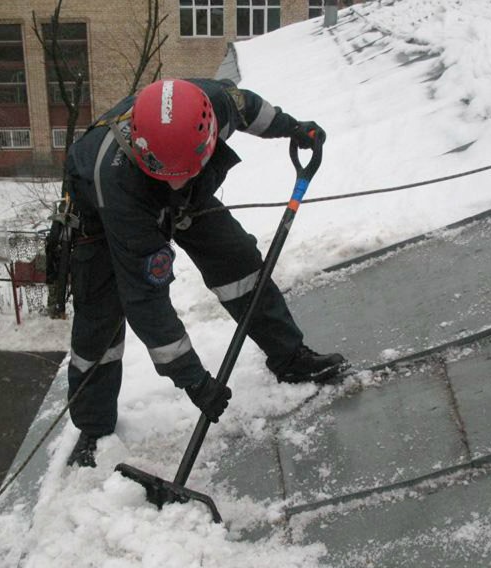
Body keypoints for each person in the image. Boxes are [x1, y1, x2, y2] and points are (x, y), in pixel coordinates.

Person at [64, 78, 347, 467]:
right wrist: (193, 379)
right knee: (100, 325)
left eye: (183, 171)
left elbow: (251, 109)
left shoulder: (214, 104)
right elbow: (145, 297)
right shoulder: (116, 183)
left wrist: (292, 128)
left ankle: (290, 358)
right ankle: (94, 429)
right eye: (170, 174)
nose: (176, 181)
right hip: (100, 218)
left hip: (181, 194)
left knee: (238, 263)